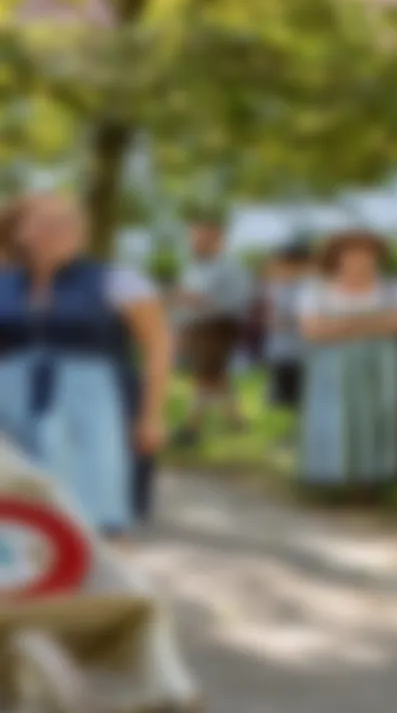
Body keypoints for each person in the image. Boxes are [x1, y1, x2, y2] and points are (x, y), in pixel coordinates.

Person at [0, 192, 172, 534]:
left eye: (69, 222)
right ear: (20, 231)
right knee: (19, 510)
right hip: (11, 406)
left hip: (94, 409)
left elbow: (158, 346)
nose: (60, 229)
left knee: (93, 503)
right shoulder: (5, 283)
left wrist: (151, 415)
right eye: (46, 222)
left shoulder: (118, 281)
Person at [297, 231, 397, 493]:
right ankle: (332, 478)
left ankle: (375, 480)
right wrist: (378, 322)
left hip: (384, 366)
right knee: (337, 419)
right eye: (352, 255)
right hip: (333, 370)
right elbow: (313, 329)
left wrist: (343, 325)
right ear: (337, 258)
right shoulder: (317, 289)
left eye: (367, 255)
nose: (360, 261)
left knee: (383, 418)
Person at [173, 214, 253, 446]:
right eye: (194, 237)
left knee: (205, 376)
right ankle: (237, 421)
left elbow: (238, 301)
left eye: (202, 238)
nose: (196, 242)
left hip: (218, 327)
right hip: (197, 327)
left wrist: (199, 301)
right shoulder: (194, 266)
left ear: (218, 240)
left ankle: (191, 427)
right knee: (216, 375)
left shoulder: (231, 267)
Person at [262, 239, 314, 413]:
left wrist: (283, 321)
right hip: (282, 351)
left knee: (306, 398)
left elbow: (308, 317)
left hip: (304, 353)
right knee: (287, 401)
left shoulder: (310, 287)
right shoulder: (276, 286)